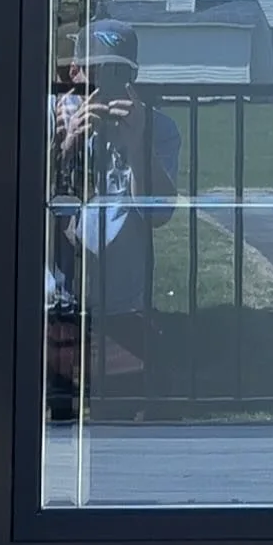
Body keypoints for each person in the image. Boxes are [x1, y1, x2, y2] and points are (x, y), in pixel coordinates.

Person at [46, 20, 180, 406]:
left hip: (124, 304)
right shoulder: (52, 117)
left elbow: (158, 213)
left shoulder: (158, 128)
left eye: (119, 72)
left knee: (122, 413)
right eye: (97, 72)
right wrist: (66, 143)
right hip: (60, 300)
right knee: (59, 416)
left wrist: (138, 145)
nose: (107, 85)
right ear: (76, 72)